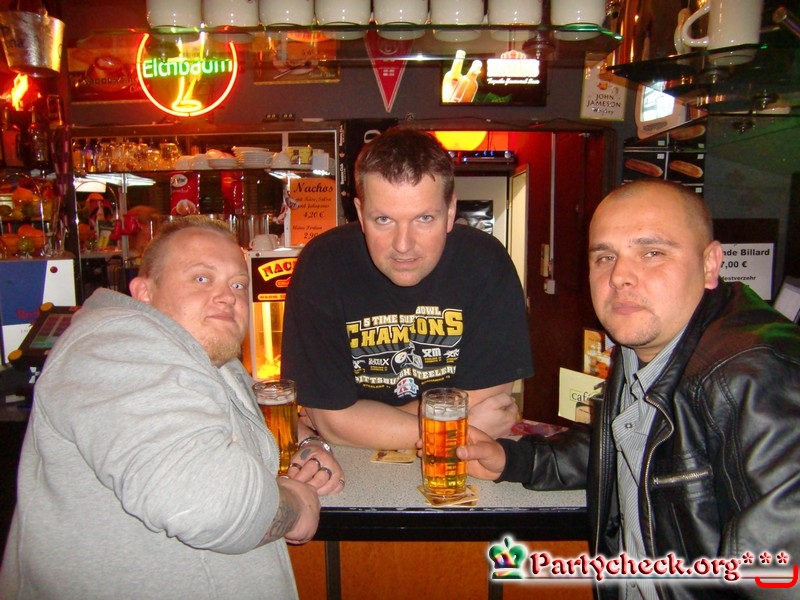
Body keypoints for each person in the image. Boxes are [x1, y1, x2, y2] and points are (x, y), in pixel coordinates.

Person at [457, 179, 800, 598]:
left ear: (710, 264)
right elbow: (625, 443)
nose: (619, 276)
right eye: (605, 257)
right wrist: (515, 461)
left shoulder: (756, 374)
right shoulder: (644, 343)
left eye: (652, 253)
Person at [0, 216, 344, 599]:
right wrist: (295, 506)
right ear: (144, 292)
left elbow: (253, 416)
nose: (228, 296)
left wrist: (308, 445)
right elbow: (207, 503)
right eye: (201, 278)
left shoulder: (213, 361)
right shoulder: (117, 346)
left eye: (237, 284)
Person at [282, 127, 533, 450]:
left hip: (460, 464)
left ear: (450, 212)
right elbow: (334, 423)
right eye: (383, 220)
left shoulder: (485, 263)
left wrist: (364, 421)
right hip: (355, 465)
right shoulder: (323, 264)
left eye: (424, 218)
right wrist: (455, 427)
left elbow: (491, 402)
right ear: (360, 214)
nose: (403, 245)